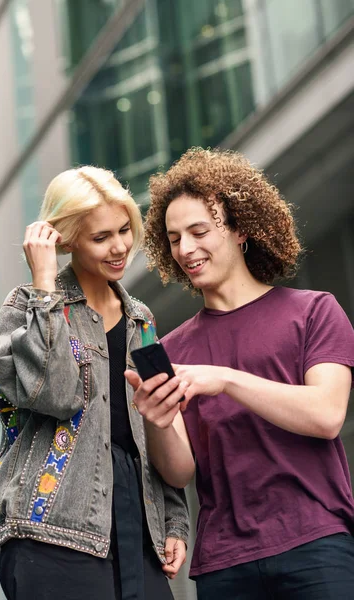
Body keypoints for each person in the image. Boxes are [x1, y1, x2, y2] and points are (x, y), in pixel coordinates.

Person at [125, 148, 354, 599]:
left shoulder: (313, 312)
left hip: (317, 543)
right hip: (225, 564)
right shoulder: (170, 350)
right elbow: (178, 473)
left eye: (199, 231)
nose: (186, 249)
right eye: (174, 239)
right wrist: (156, 420)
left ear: (240, 229)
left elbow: (326, 415)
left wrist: (226, 379)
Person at [0, 165, 189, 600]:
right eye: (101, 237)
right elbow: (54, 395)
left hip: (138, 521)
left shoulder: (141, 320)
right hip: (54, 527)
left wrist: (174, 522)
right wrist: (44, 287)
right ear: (66, 239)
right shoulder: (25, 307)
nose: (119, 248)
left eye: (124, 230)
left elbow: (155, 422)